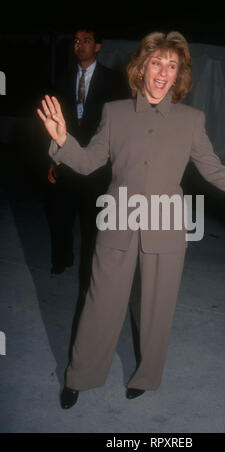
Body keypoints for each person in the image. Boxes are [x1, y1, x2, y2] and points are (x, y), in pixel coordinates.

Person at [37, 31, 225, 409]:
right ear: (141, 67)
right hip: (118, 223)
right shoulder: (114, 113)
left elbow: (212, 169)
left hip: (166, 230)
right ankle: (80, 375)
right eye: (157, 63)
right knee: (99, 305)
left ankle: (145, 377)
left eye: (172, 65)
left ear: (179, 74)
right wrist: (63, 142)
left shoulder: (191, 121)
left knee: (155, 313)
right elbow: (89, 162)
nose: (164, 72)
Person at [47, 25, 126, 293]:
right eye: (77, 40)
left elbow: (119, 128)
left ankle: (89, 276)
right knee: (60, 216)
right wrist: (53, 160)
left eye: (86, 40)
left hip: (98, 166)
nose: (79, 45)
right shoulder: (62, 78)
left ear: (98, 46)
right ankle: (61, 260)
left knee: (93, 225)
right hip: (68, 161)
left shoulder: (114, 82)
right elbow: (52, 124)